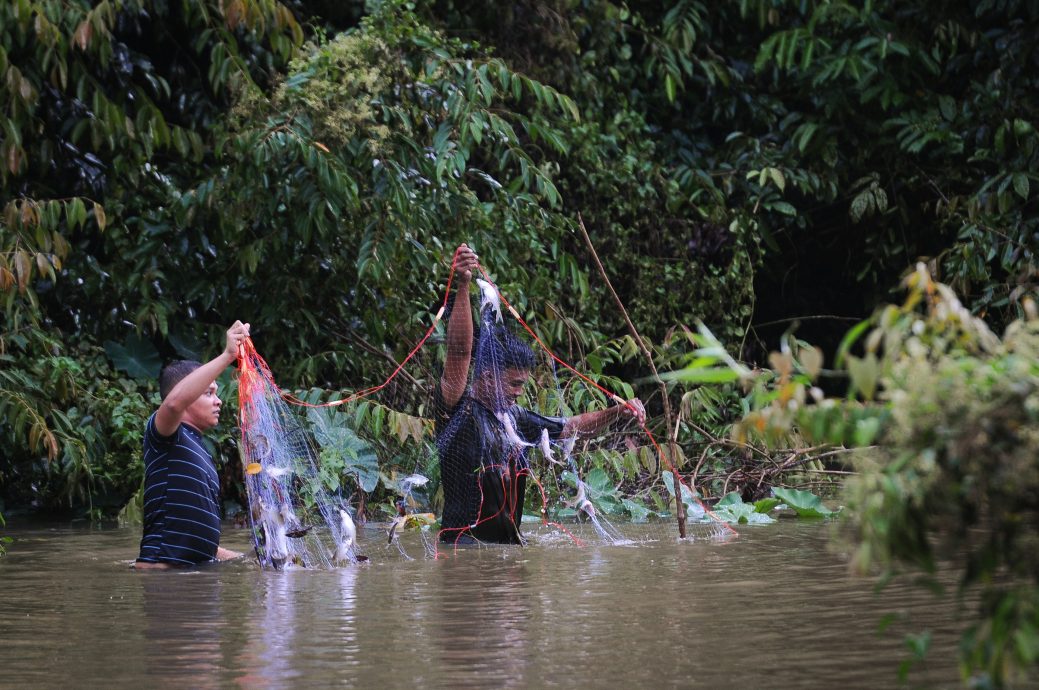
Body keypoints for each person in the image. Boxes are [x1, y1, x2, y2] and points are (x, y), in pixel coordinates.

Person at [435, 244, 645, 545]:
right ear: (486, 376)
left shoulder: (513, 418)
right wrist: (464, 284)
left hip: (506, 557)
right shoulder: (457, 411)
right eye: (514, 385)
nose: (519, 394)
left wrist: (617, 412)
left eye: (522, 386)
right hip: (462, 554)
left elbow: (571, 427)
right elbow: (458, 353)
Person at [134, 320, 251, 569]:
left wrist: (247, 561)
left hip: (193, 580)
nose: (219, 401)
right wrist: (228, 354)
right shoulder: (165, 434)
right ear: (186, 392)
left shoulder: (199, 453)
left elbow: (199, 541)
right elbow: (174, 403)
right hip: (164, 580)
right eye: (209, 393)